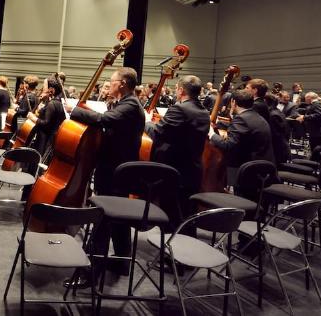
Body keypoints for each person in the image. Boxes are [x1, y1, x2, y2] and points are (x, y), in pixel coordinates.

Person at [66, 67, 144, 275]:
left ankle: (91, 271)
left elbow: (105, 120)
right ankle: (122, 262)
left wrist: (75, 110)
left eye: (112, 81)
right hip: (117, 169)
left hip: (115, 171)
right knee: (118, 218)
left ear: (123, 84)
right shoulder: (125, 104)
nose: (109, 85)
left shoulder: (130, 105)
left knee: (103, 218)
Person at [144, 75, 210, 225]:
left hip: (175, 170)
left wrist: (147, 121)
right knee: (186, 214)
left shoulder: (180, 108)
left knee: (172, 214)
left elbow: (158, 133)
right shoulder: (204, 111)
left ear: (181, 90)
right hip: (193, 169)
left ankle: (169, 243)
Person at [209, 90, 274, 187]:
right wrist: (220, 123)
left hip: (248, 170)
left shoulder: (241, 119)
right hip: (264, 166)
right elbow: (244, 129)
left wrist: (211, 134)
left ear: (233, 102)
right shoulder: (257, 116)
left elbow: (228, 145)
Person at [28, 75, 66, 160]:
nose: (43, 88)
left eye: (45, 86)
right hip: (50, 138)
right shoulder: (60, 101)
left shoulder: (52, 104)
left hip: (44, 139)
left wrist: (33, 118)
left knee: (39, 161)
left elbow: (46, 123)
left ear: (52, 89)